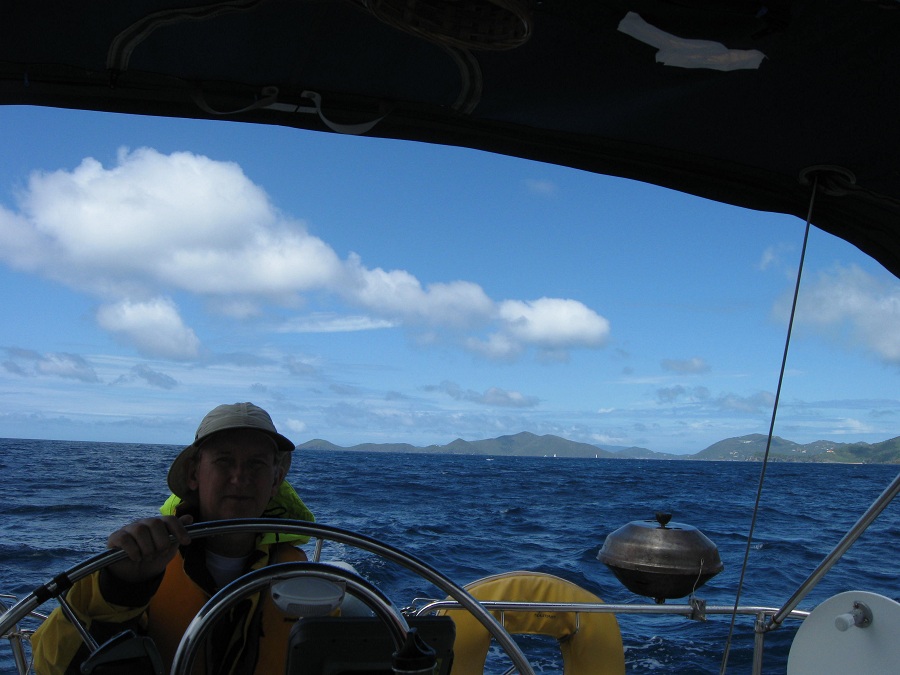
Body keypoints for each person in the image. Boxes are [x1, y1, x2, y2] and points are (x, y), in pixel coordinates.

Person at [31, 402, 315, 675]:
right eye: (224, 461)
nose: (240, 477)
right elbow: (51, 665)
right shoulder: (141, 560)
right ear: (194, 474)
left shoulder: (302, 575)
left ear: (276, 479)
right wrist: (121, 588)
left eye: (256, 464)